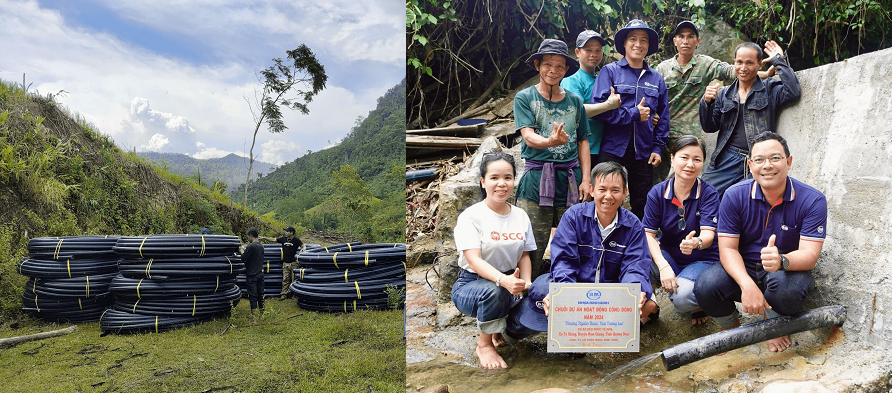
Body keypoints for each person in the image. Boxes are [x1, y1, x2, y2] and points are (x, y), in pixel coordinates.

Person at [694, 132, 827, 352]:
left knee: (788, 291)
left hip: (784, 270)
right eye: (759, 160)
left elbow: (810, 255)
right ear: (750, 164)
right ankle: (733, 328)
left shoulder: (812, 200)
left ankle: (772, 323)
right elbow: (727, 248)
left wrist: (782, 260)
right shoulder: (734, 195)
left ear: (789, 161)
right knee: (706, 286)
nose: (767, 166)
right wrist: (746, 284)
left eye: (775, 158)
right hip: (744, 266)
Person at [505, 161, 659, 341]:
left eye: (615, 190)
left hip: (610, 292)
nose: (608, 196)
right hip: (578, 289)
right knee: (537, 298)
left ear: (625, 192)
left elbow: (635, 266)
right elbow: (563, 260)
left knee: (645, 302)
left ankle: (611, 329)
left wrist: (634, 291)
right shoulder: (573, 217)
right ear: (592, 190)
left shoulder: (633, 225)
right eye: (602, 189)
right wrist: (565, 294)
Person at [654, 20, 775, 182]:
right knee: (658, 181)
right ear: (675, 41)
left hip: (689, 135)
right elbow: (652, 97)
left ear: (698, 41)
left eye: (690, 37)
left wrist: (765, 75)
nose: (685, 41)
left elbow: (737, 71)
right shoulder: (662, 68)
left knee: (683, 180)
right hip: (662, 133)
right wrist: (652, 114)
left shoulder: (706, 64)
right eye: (681, 37)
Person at [514, 38, 594, 279]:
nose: (553, 70)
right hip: (536, 179)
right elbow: (528, 136)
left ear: (566, 70)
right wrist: (550, 142)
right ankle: (526, 294)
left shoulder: (575, 100)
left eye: (560, 66)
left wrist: (586, 179)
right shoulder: (525, 97)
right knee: (532, 244)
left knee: (576, 240)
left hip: (571, 179)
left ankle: (572, 293)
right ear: (538, 65)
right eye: (548, 64)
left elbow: (583, 141)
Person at [451, 152, 536, 369]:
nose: (502, 183)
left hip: (510, 283)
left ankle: (500, 327)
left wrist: (526, 283)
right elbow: (474, 260)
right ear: (483, 181)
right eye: (494, 178)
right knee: (494, 290)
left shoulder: (520, 215)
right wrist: (503, 280)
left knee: (537, 298)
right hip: (472, 284)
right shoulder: (471, 217)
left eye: (508, 177)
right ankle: (484, 345)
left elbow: (524, 254)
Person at [699, 41, 800, 198]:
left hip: (758, 158)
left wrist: (778, 59)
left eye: (749, 63)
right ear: (734, 63)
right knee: (702, 195)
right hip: (727, 157)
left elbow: (793, 91)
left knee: (752, 203)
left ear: (759, 64)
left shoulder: (769, 89)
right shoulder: (723, 94)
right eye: (739, 62)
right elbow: (709, 126)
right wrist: (706, 103)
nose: (743, 68)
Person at [591, 19, 670, 220]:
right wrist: (633, 114)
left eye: (644, 40)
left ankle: (639, 246)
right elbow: (599, 111)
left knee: (642, 202)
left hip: (643, 151)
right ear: (624, 44)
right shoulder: (609, 72)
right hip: (612, 148)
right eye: (633, 39)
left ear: (648, 46)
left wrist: (657, 148)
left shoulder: (656, 78)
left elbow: (663, 116)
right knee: (605, 198)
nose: (638, 44)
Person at [643, 135, 720, 326]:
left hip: (703, 259)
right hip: (670, 255)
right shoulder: (657, 193)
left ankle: (698, 304)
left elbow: (709, 235)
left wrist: (697, 242)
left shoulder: (709, 193)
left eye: (697, 159)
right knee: (640, 257)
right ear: (672, 158)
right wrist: (663, 266)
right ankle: (649, 309)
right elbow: (648, 235)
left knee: (681, 298)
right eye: (684, 157)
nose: (690, 164)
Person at [560, 30, 622, 166]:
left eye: (598, 50)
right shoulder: (572, 80)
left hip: (603, 147)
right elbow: (576, 111)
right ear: (577, 52)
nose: (593, 54)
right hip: (581, 148)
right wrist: (608, 105)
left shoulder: (602, 79)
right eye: (588, 50)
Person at [262, 226, 304, 300]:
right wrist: (264, 238)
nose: (285, 232)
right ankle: (284, 295)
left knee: (294, 279)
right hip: (285, 263)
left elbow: (303, 245)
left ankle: (294, 295)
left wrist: (303, 249)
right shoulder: (283, 239)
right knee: (285, 280)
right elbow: (274, 240)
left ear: (292, 232)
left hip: (293, 263)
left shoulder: (296, 240)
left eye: (287, 231)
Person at [241, 228, 266, 319]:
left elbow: (243, 259)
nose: (247, 238)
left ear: (251, 236)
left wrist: (241, 252)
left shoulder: (251, 246)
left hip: (252, 275)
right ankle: (262, 314)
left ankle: (254, 317)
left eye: (247, 236)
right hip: (260, 273)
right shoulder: (261, 246)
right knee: (260, 294)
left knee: (253, 295)